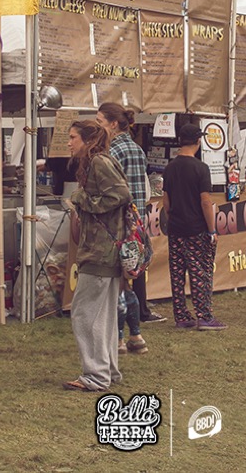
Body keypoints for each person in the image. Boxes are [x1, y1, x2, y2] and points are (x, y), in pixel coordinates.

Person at [63, 120, 132, 391]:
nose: (69, 143)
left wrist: (82, 200)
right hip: (105, 250)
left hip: (101, 251)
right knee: (102, 316)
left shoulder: (99, 162)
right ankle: (107, 371)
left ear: (88, 140)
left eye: (73, 137)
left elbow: (121, 194)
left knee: (84, 313)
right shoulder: (99, 161)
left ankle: (95, 375)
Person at [97, 103, 152, 356]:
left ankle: (120, 338)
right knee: (126, 282)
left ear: (113, 124)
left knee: (118, 284)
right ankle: (135, 336)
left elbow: (110, 191)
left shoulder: (112, 151)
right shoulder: (137, 150)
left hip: (117, 224)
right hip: (136, 225)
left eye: (100, 121)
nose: (98, 126)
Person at [162, 123, 225, 331]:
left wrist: (173, 217)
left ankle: (181, 315)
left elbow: (166, 201)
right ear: (198, 141)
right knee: (200, 272)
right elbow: (205, 201)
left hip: (175, 228)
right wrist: (212, 229)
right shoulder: (201, 168)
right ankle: (204, 316)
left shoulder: (170, 168)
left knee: (177, 273)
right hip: (196, 227)